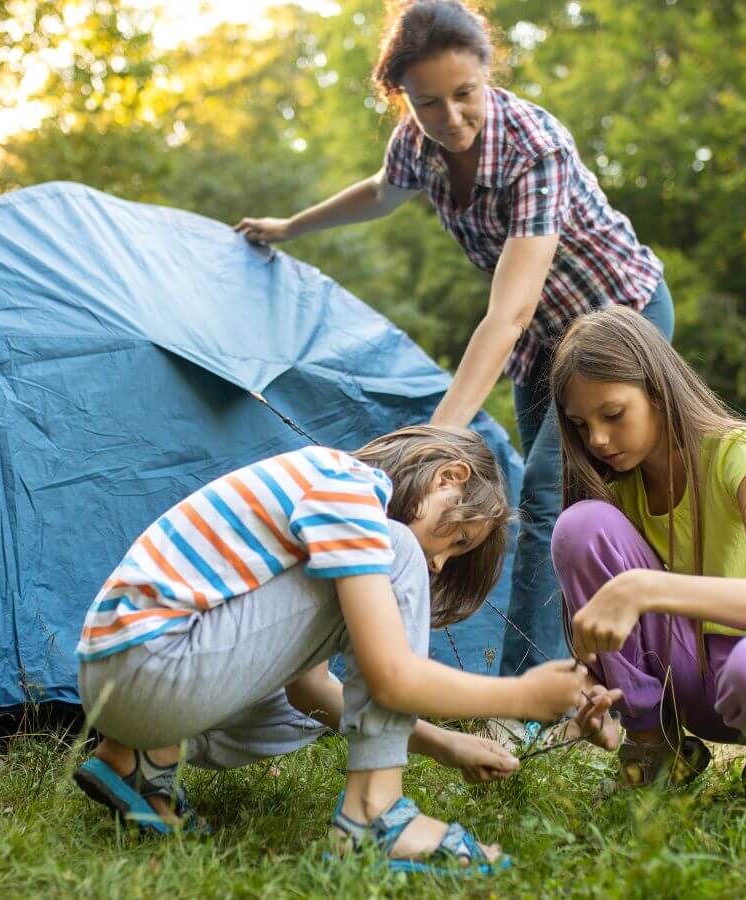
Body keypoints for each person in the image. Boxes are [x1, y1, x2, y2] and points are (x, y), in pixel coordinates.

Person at [236, 0, 672, 676]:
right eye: (427, 102)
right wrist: (288, 227)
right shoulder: (416, 142)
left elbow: (508, 312)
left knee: (552, 492)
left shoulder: (535, 147)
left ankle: (526, 699)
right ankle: (573, 670)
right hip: (543, 343)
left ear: (487, 74)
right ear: (402, 97)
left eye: (464, 95)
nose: (450, 117)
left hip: (619, 317)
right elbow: (380, 193)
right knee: (547, 498)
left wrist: (433, 439)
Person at [73, 425, 611, 873]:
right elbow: (389, 678)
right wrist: (520, 695)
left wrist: (443, 743)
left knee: (314, 709)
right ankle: (375, 814)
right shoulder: (350, 488)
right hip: (155, 666)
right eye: (460, 541)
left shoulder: (325, 489)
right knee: (396, 546)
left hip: (124, 678)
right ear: (449, 478)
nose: (440, 564)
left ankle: (138, 760)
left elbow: (309, 692)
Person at [547, 307, 746, 810]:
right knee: (579, 526)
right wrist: (587, 677)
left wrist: (642, 587)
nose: (597, 439)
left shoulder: (740, 453)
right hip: (690, 683)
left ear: (658, 391)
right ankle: (655, 749)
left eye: (613, 415)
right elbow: (628, 634)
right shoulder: (622, 491)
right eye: (582, 425)